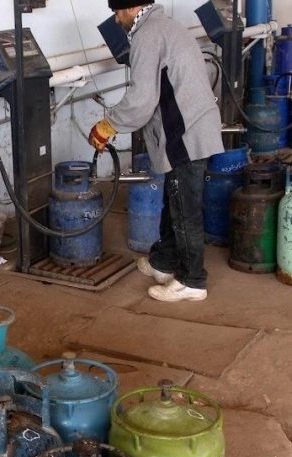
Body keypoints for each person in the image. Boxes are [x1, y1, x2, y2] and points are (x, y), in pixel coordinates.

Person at [88, 0, 224, 302]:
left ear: (130, 8)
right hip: (190, 124)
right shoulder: (166, 26)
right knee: (174, 198)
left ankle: (192, 281)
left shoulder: (147, 35)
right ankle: (164, 261)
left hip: (186, 131)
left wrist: (108, 125)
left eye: (117, 12)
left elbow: (141, 100)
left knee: (185, 208)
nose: (116, 19)